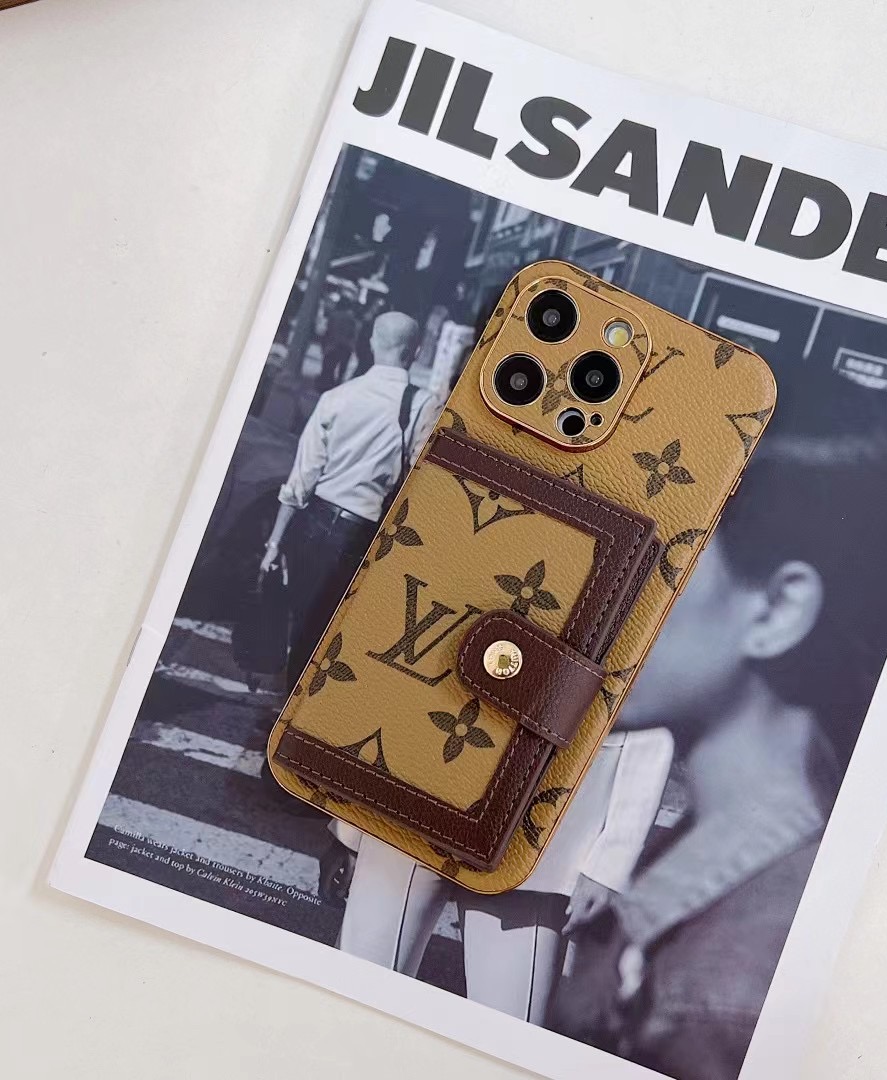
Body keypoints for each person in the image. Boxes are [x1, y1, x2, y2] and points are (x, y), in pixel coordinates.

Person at [551, 379, 887, 1080]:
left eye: (662, 559)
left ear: (777, 611)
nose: (602, 588)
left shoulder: (726, 990)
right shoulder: (749, 872)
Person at [328, 725, 674, 1026]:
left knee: (505, 1037)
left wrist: (613, 856)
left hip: (544, 815)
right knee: (354, 1001)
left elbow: (651, 697)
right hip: (418, 783)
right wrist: (349, 825)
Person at [260, 310, 440, 687]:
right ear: (416, 351)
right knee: (333, 632)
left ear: (372, 343)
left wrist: (275, 542)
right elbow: (420, 481)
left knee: (302, 621)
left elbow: (301, 480)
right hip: (363, 534)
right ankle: (299, 699)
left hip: (312, 525)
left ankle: (288, 692)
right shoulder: (424, 405)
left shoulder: (337, 398)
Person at [317, 294, 359, 391]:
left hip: (333, 345)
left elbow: (328, 331)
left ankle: (325, 386)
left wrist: (324, 345)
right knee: (341, 372)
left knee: (328, 368)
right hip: (346, 347)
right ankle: (337, 387)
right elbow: (353, 334)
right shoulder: (351, 318)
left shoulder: (334, 316)